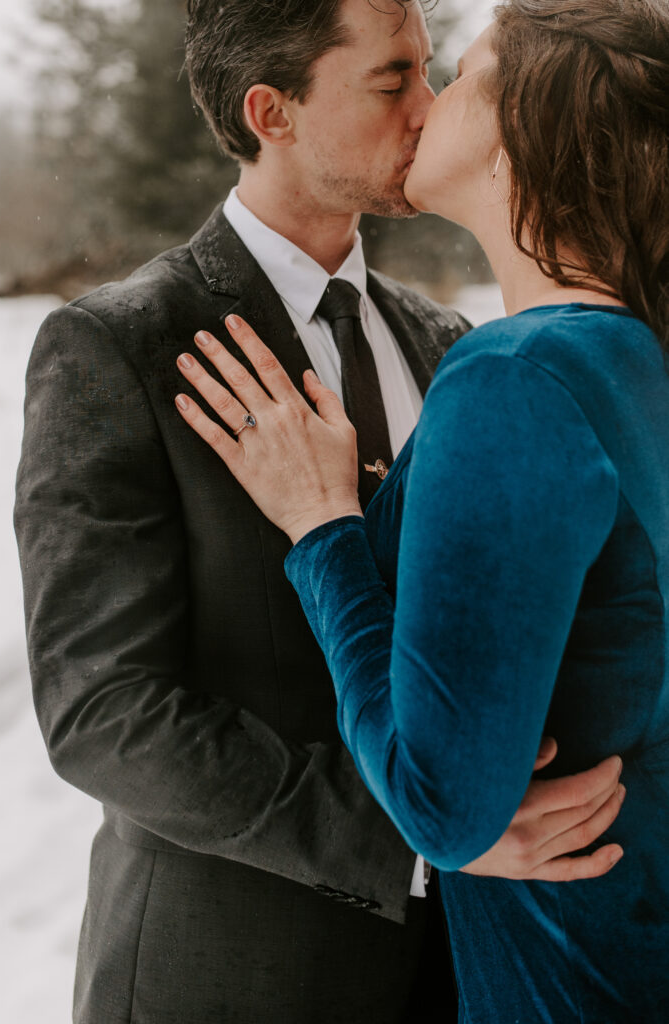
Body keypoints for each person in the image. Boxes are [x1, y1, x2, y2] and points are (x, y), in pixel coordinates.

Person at [15, 1, 627, 1022]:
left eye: (430, 73)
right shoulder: (120, 346)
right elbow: (103, 712)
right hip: (225, 980)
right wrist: (423, 838)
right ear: (273, 112)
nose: (428, 110)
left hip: (456, 978)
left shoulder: (449, 344)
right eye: (392, 82)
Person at [174, 0, 669, 1021]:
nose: (429, 101)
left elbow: (443, 806)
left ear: (520, 129)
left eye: (457, 76)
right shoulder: (633, 360)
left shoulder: (515, 373)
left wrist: (322, 527)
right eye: (400, 77)